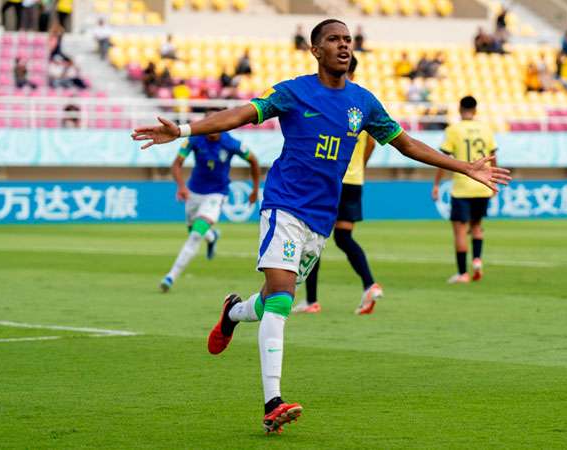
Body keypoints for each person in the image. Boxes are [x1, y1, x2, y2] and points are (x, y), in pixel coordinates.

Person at [132, 19, 510, 434]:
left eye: (348, 40)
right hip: (284, 205)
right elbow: (241, 114)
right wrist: (184, 129)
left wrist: (463, 167)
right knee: (281, 299)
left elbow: (407, 144)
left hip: (320, 218)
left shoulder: (363, 103)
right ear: (315, 50)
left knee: (269, 301)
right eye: (333, 39)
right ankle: (272, 402)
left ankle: (232, 314)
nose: (343, 45)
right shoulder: (293, 92)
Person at [294, 56, 383, 315]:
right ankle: (369, 284)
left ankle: (311, 300)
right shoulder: (364, 103)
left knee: (313, 237)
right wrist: (360, 167)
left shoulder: (333, 100)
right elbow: (372, 143)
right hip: (354, 181)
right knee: (344, 238)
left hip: (330, 181)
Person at [160, 112, 261, 292]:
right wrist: (181, 187)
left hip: (216, 194)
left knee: (195, 235)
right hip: (193, 192)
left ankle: (170, 276)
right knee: (194, 228)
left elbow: (253, 161)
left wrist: (254, 189)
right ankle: (212, 236)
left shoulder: (231, 143)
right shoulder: (194, 139)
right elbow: (177, 164)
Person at [432, 96, 498, 284]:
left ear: (460, 109)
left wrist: (437, 184)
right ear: (475, 110)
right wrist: (492, 180)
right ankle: (477, 260)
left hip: (462, 187)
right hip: (482, 186)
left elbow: (442, 159)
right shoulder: (486, 129)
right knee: (476, 226)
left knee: (460, 231)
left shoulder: (453, 130)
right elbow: (493, 157)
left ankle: (463, 273)